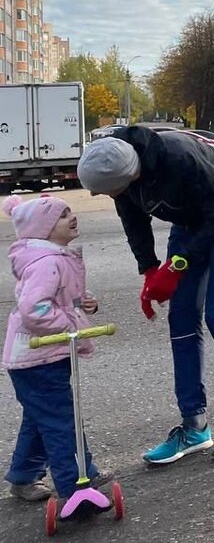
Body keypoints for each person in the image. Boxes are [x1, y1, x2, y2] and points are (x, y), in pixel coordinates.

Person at [76, 128, 214, 464]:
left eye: (107, 191)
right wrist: (149, 270)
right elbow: (134, 220)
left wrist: (177, 265)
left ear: (130, 174)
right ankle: (194, 425)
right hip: (188, 225)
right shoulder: (118, 167)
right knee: (181, 321)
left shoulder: (179, 158)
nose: (104, 196)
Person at [3, 195, 112, 503]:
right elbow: (35, 310)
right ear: (44, 229)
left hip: (44, 354)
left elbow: (61, 297)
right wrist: (71, 323)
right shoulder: (46, 262)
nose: (72, 217)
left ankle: (24, 475)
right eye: (62, 216)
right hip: (37, 355)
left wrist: (83, 303)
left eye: (70, 211)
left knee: (43, 417)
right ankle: (76, 485)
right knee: (62, 420)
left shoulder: (57, 257)